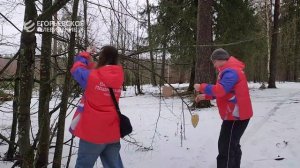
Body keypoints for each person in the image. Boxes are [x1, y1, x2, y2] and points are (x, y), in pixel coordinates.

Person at [194, 48, 253, 168]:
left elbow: (220, 90)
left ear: (220, 59)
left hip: (235, 117)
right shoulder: (230, 70)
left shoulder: (231, 72)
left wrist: (201, 87)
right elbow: (225, 91)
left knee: (225, 147)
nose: (214, 66)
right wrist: (205, 96)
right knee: (233, 145)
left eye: (214, 62)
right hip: (235, 115)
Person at [70, 46, 124, 168]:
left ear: (102, 58)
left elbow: (77, 69)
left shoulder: (92, 77)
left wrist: (85, 54)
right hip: (112, 131)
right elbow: (99, 71)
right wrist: (90, 59)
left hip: (92, 132)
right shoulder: (119, 76)